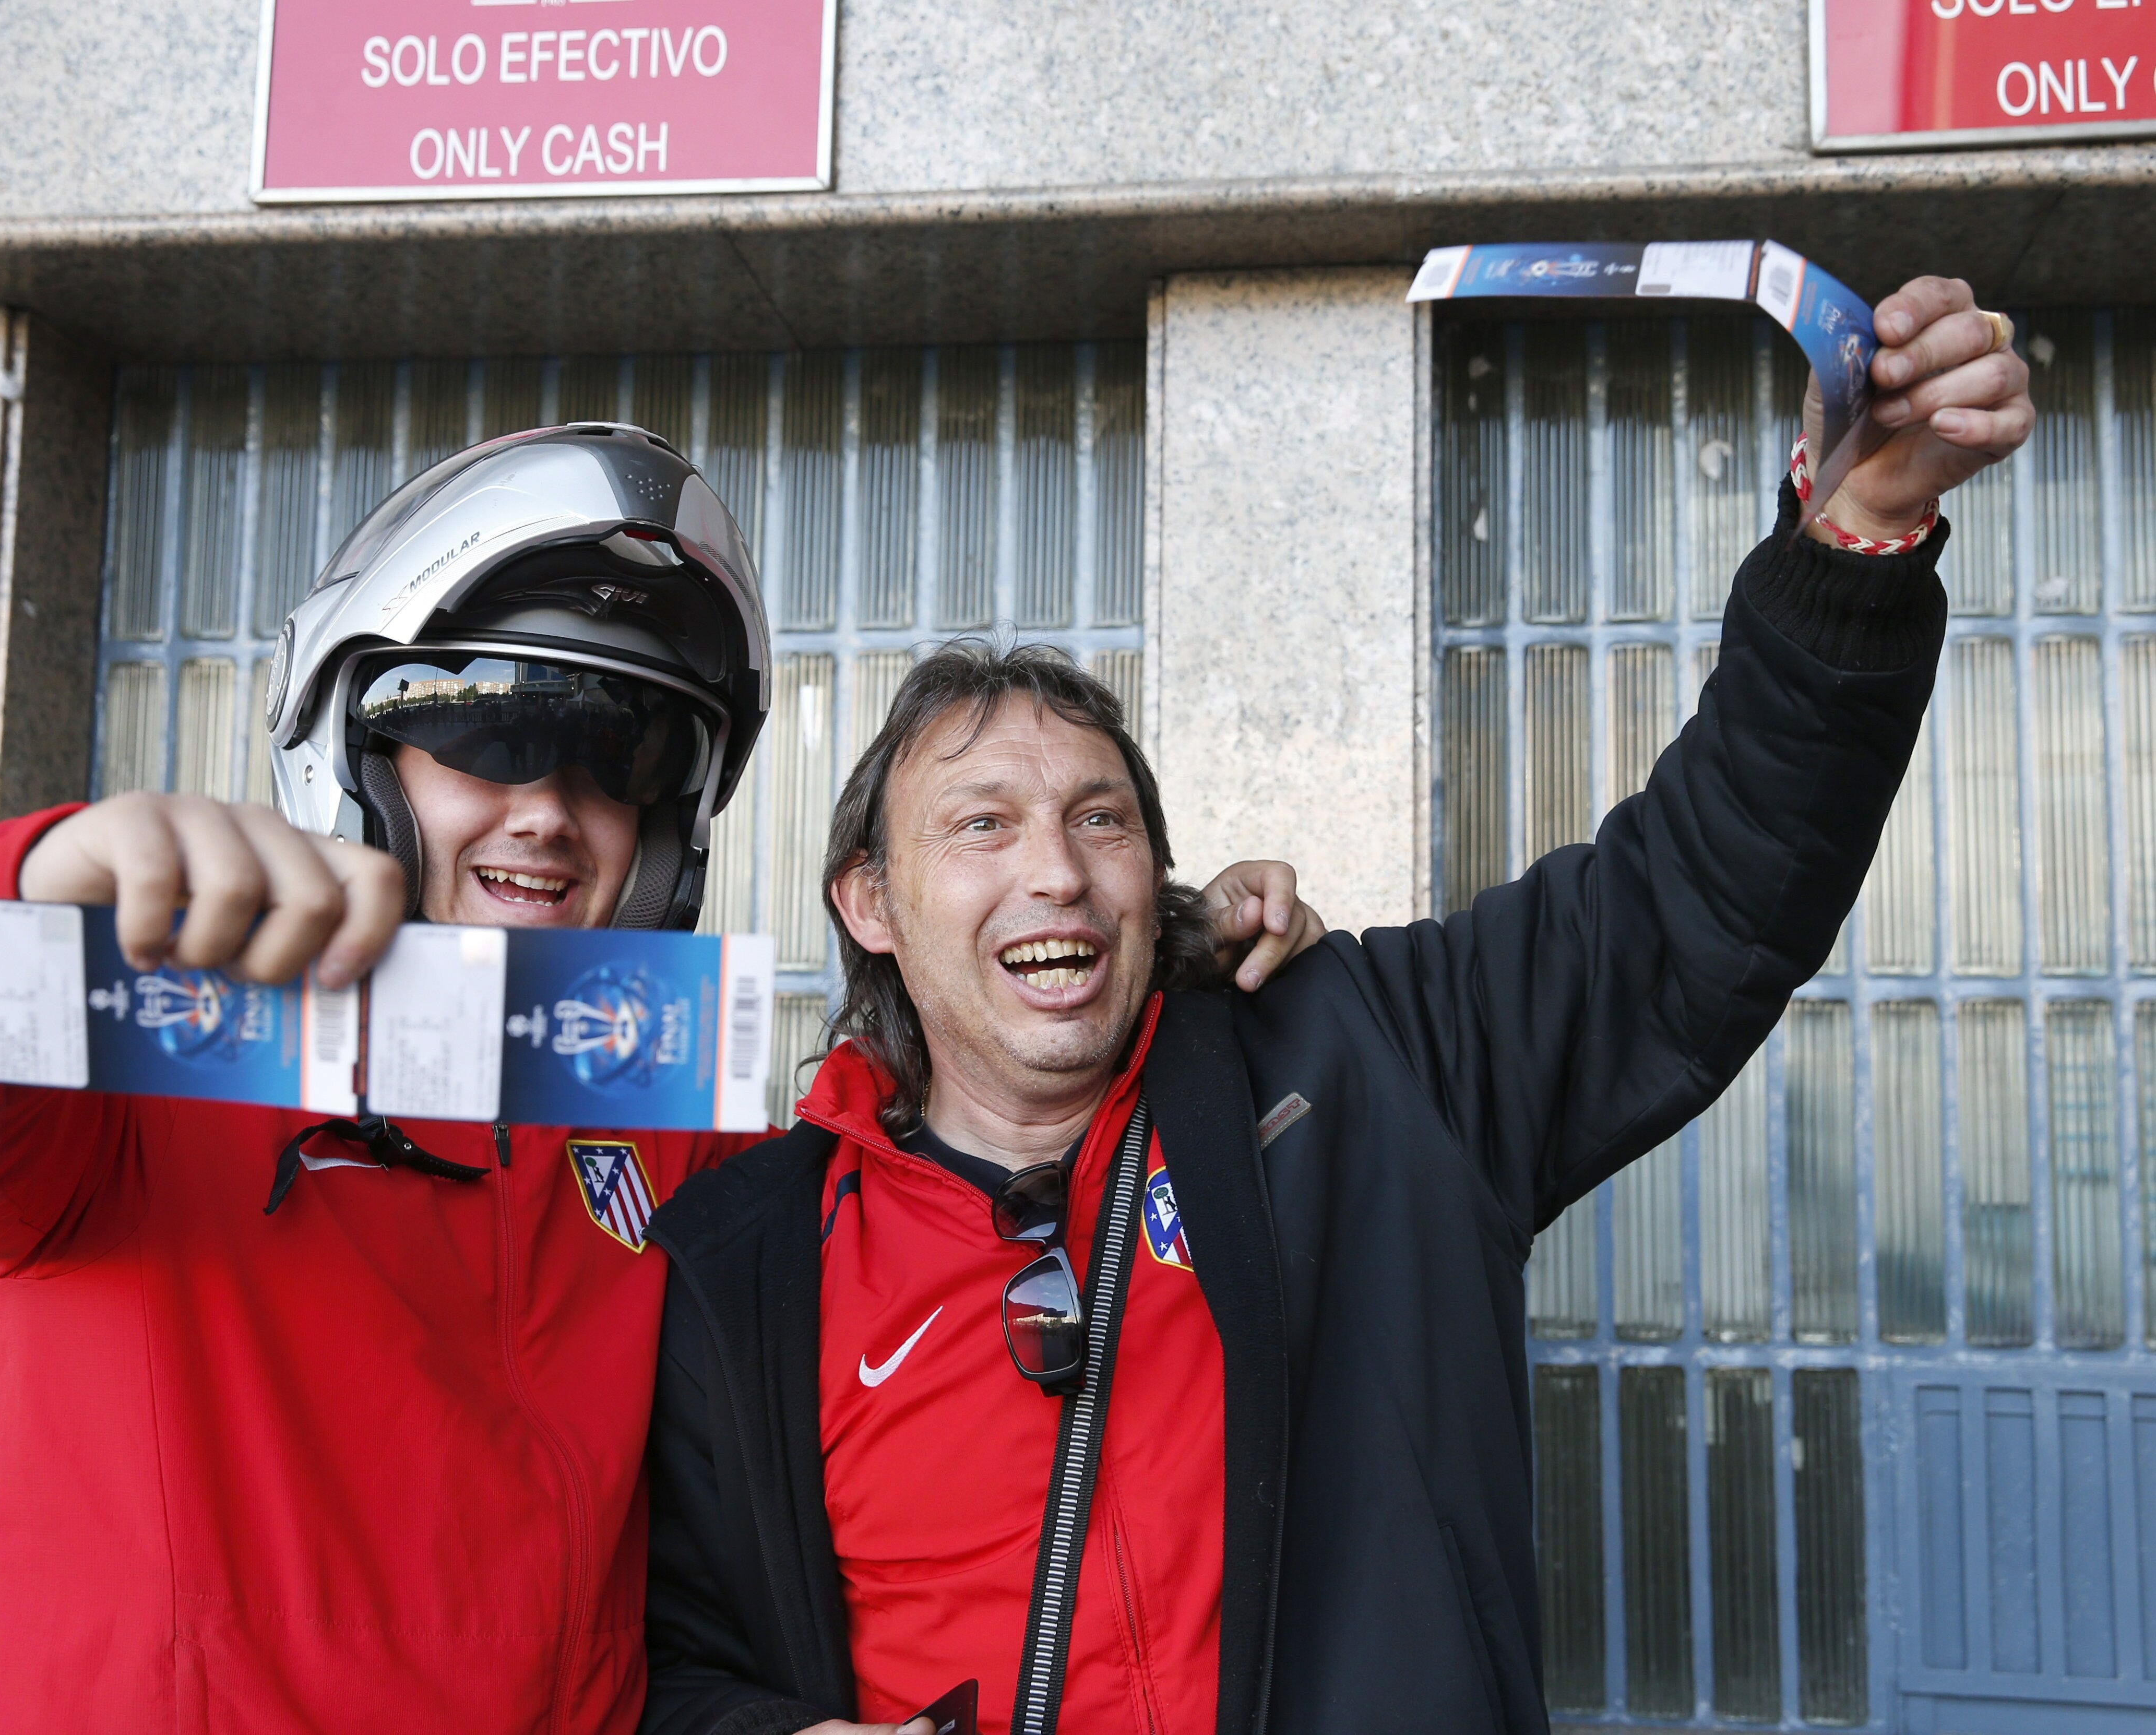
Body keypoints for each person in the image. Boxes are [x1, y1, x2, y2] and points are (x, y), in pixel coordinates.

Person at [633, 275, 2038, 1735]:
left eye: (1102, 819)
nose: (1054, 869)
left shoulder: (1368, 1068)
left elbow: (1696, 901)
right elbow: (656, 1658)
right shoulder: (743, 1261)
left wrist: (1853, 537)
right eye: (981, 825)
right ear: (869, 900)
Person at [0, 424, 1321, 1735]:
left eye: (623, 760)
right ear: (358, 751)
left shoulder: (662, 1127)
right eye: (489, 733)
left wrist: (1157, 957)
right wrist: (35, 887)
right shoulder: (153, 1048)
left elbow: (922, 1164)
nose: (551, 813)